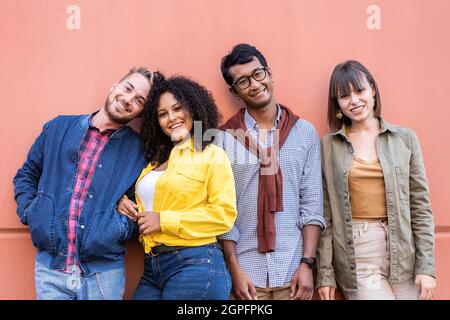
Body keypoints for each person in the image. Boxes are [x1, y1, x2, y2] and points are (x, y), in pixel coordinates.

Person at [13, 67, 153, 300]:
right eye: (127, 89)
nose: (128, 99)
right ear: (114, 86)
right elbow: (26, 175)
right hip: (51, 269)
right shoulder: (57, 128)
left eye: (139, 100)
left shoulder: (138, 151)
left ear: (141, 113)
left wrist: (120, 224)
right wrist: (32, 211)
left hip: (104, 273)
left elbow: (142, 201)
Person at [316, 60, 436, 300]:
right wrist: (325, 274)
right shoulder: (328, 146)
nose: (354, 100)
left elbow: (420, 207)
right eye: (344, 95)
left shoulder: (405, 139)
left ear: (372, 89)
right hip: (358, 252)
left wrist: (426, 267)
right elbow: (325, 215)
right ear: (337, 104)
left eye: (359, 90)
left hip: (403, 251)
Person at [215, 43, 325, 300]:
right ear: (235, 91)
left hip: (293, 273)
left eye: (258, 74)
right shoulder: (223, 139)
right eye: (243, 82)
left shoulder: (304, 133)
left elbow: (312, 205)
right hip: (247, 276)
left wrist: (307, 264)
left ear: (269, 74)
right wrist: (235, 270)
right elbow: (223, 212)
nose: (254, 84)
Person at [118, 75, 237, 300]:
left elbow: (224, 216)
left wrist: (163, 220)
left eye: (177, 108)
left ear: (193, 109)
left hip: (196, 264)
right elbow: (151, 204)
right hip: (154, 267)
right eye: (163, 114)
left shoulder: (211, 155)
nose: (171, 118)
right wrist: (124, 203)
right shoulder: (153, 163)